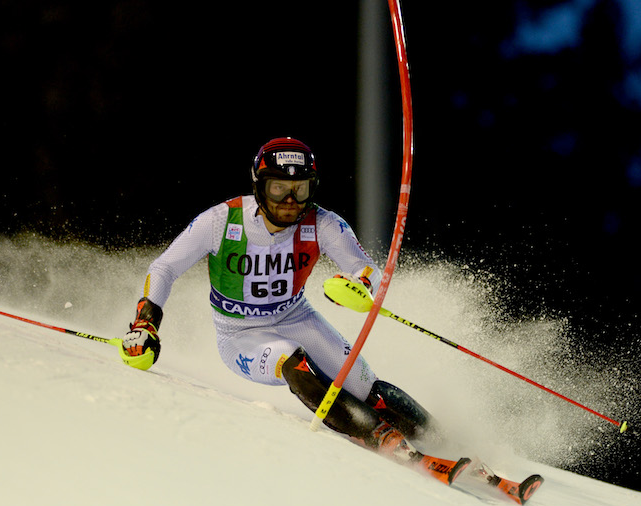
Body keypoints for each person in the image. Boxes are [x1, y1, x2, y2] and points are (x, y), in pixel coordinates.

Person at [121, 137, 437, 463]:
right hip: (240, 334)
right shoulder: (221, 221)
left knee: (361, 384)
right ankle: (386, 440)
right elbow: (164, 268)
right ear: (259, 186)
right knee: (291, 361)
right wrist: (146, 322)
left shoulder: (322, 223)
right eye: (278, 189)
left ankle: (443, 441)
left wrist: (359, 286)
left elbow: (366, 268)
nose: (289, 200)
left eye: (299, 189)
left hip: (297, 317)